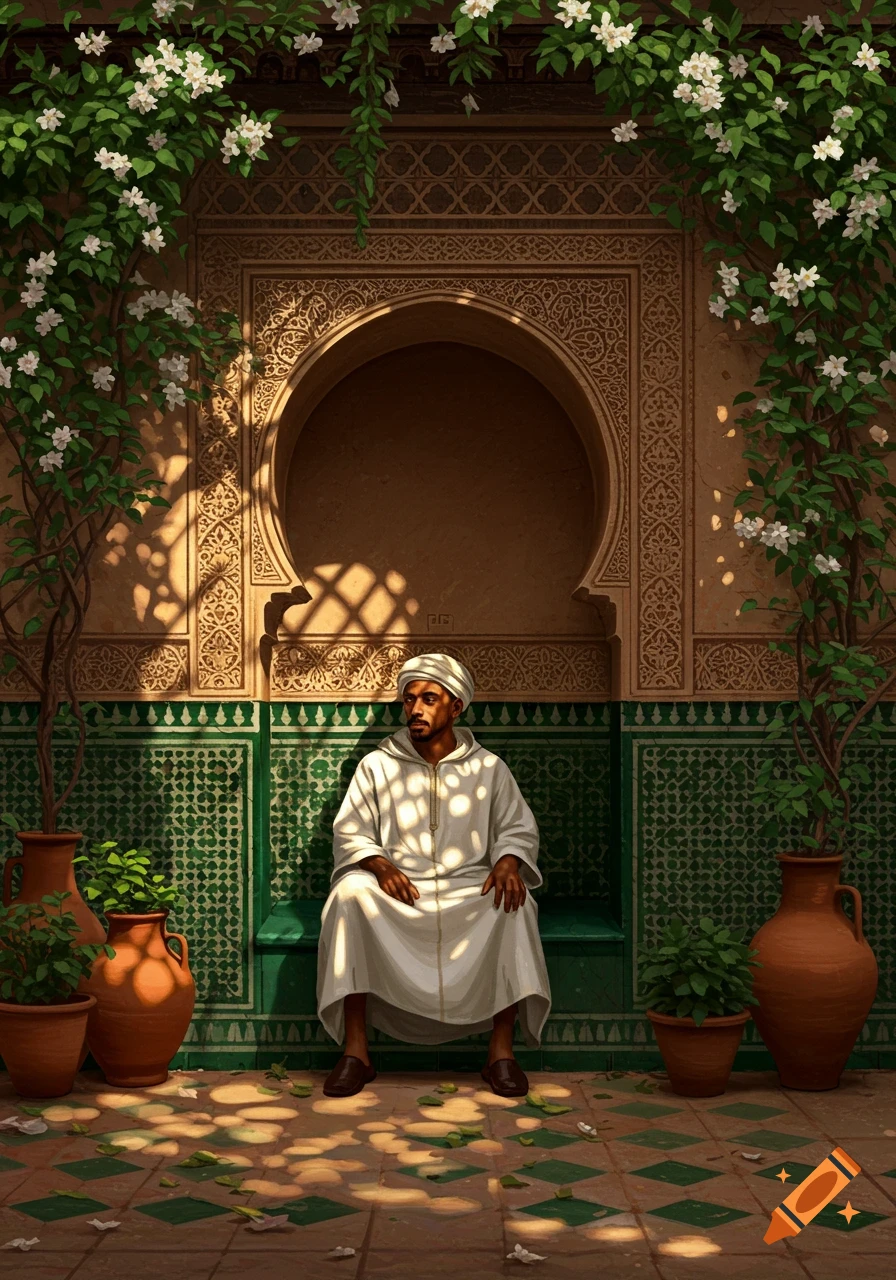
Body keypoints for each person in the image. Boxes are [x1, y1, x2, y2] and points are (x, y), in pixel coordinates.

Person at [316, 652, 551, 1098]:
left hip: (468, 888)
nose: (415, 710)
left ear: (455, 706)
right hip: (398, 889)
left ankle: (501, 1053)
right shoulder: (377, 765)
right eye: (409, 701)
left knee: (514, 904)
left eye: (428, 699)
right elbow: (350, 830)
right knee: (349, 895)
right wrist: (379, 865)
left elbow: (518, 827)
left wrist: (508, 860)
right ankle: (356, 1052)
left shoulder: (489, 768)